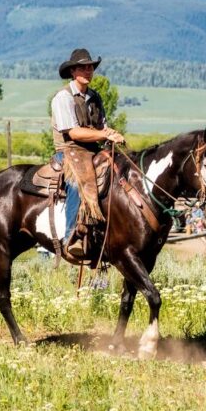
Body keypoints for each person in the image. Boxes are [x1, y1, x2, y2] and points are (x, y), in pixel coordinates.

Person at [50, 48, 124, 258]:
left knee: (119, 173)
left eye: (90, 67)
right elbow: (72, 132)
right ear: (73, 71)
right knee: (77, 183)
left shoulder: (95, 97)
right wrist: (104, 135)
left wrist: (112, 134)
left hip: (93, 151)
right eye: (82, 67)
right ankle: (72, 236)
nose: (88, 70)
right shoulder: (63, 98)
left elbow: (102, 126)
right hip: (69, 151)